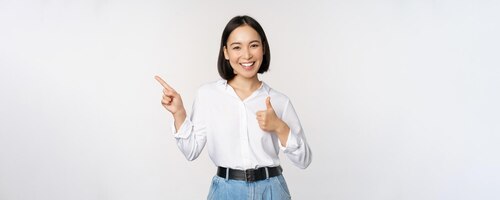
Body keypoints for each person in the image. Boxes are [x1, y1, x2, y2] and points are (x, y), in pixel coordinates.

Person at [155, 15, 312, 200]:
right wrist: (179, 113)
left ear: (263, 49)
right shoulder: (208, 95)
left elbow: (304, 160)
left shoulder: (279, 101)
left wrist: (279, 127)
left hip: (271, 191)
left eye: (253, 45)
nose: (246, 55)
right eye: (237, 47)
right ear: (226, 52)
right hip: (226, 191)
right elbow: (191, 151)